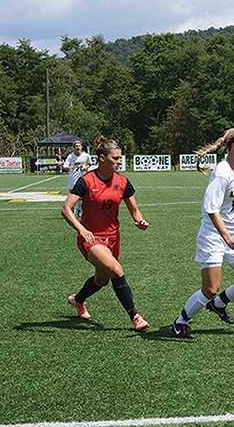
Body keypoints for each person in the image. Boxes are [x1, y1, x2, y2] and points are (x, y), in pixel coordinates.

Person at [173, 127, 234, 340]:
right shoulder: (222, 172)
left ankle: (219, 304)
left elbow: (232, 197)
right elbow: (211, 209)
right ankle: (181, 321)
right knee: (211, 288)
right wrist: (226, 236)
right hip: (214, 236)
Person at [63, 136, 150, 331]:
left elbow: (135, 210)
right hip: (91, 239)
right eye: (115, 158)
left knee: (102, 280)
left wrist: (139, 221)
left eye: (120, 158)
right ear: (102, 158)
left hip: (113, 238)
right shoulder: (86, 181)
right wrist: (82, 229)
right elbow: (66, 209)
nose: (119, 162)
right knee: (117, 270)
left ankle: (77, 299)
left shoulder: (123, 182)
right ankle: (135, 317)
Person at [62, 141, 92, 217]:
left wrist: (86, 167)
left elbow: (89, 163)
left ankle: (81, 211)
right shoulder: (71, 156)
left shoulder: (86, 155)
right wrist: (69, 168)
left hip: (83, 179)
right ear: (74, 148)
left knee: (83, 197)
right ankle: (71, 213)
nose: (78, 147)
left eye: (79, 146)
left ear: (82, 147)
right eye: (76, 146)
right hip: (73, 179)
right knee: (72, 198)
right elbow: (64, 166)